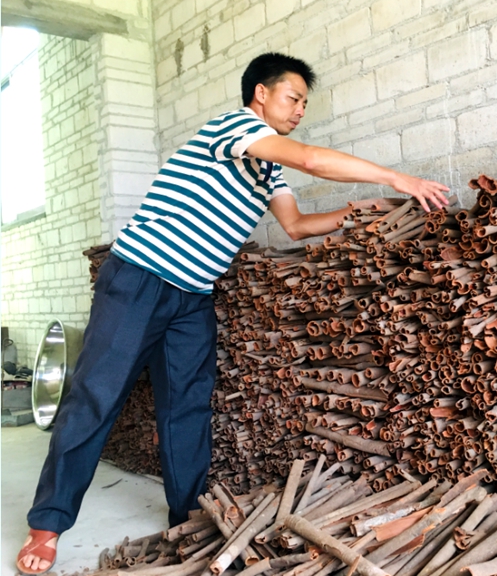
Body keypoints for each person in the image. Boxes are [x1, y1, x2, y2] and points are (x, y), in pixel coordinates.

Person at [16, 52, 450, 575]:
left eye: (304, 104)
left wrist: (362, 211)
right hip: (139, 278)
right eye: (293, 98)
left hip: (192, 295)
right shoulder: (234, 127)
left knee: (187, 408)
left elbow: (296, 225)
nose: (299, 111)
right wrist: (399, 179)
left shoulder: (267, 168)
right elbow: (312, 160)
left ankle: (184, 517)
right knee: (96, 397)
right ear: (261, 94)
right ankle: (47, 526)